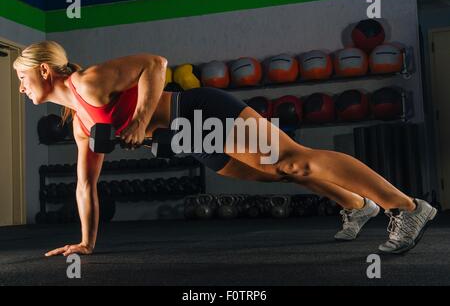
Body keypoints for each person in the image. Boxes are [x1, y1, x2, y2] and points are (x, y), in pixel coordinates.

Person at [13, 41, 436, 257]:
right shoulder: (82, 126)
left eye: (21, 77)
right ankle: (355, 204)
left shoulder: (88, 83)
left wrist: (140, 120)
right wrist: (86, 243)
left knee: (292, 159)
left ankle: (405, 206)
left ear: (44, 71)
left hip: (198, 109)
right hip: (187, 137)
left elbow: (156, 64)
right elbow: (85, 187)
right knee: (280, 172)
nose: (19, 86)